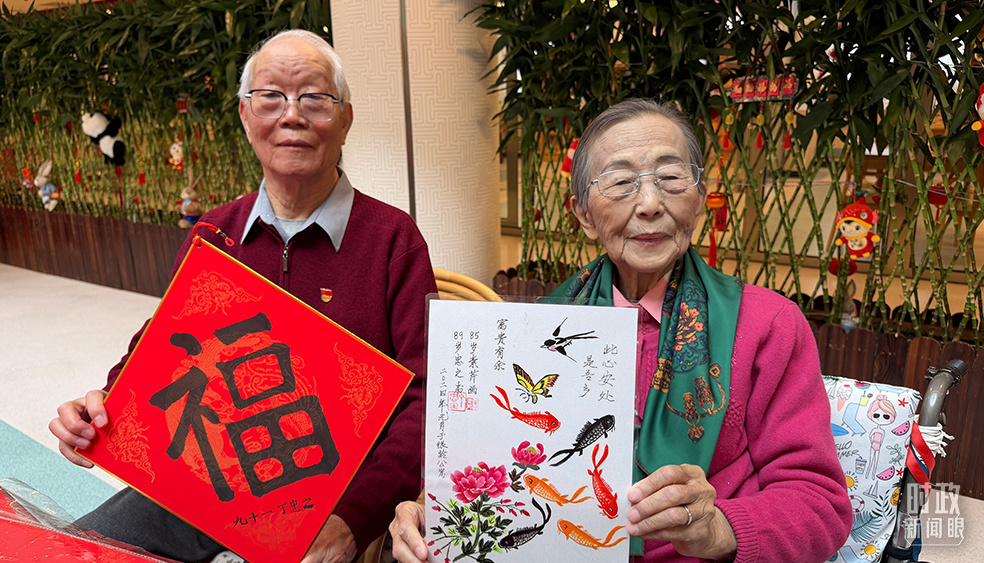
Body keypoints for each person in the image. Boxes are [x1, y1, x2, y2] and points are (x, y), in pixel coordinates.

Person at [388, 99, 852, 562]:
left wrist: (719, 528)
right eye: (621, 182)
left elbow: (821, 505)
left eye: (670, 178)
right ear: (584, 215)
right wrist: (438, 514)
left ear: (699, 197)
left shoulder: (767, 325)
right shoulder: (538, 330)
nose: (649, 204)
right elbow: (499, 470)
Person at [49, 29, 436, 563]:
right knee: (63, 551)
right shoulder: (215, 232)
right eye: (271, 97)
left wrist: (352, 521)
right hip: (207, 482)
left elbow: (426, 399)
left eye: (314, 99)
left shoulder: (393, 240)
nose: (292, 115)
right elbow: (161, 347)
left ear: (345, 119)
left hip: (328, 501)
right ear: (245, 115)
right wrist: (102, 408)